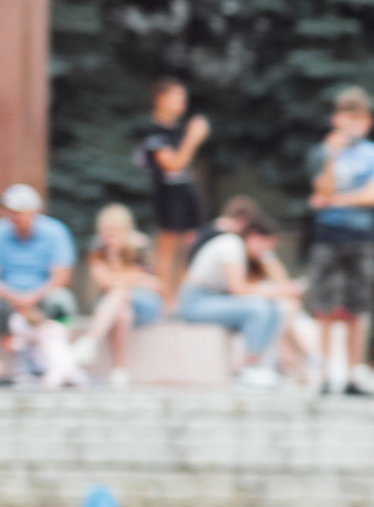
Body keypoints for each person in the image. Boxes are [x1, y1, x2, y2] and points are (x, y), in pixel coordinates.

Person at [306, 86, 374, 393]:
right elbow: (321, 191)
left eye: (359, 119)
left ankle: (356, 374)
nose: (353, 125)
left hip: (361, 236)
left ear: (367, 122)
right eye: (347, 117)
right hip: (327, 236)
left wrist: (336, 200)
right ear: (336, 119)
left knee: (360, 308)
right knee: (325, 307)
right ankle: (325, 375)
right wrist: (331, 156)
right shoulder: (321, 152)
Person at [177, 206, 295, 386]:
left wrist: (268, 258)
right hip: (196, 301)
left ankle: (263, 365)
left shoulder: (245, 252)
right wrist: (273, 291)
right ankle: (249, 367)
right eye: (267, 244)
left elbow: (279, 280)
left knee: (274, 309)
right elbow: (238, 289)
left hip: (215, 300)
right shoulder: (231, 246)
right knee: (257, 308)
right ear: (254, 236)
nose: (267, 250)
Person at [0, 183, 78, 372]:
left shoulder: (56, 232)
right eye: (10, 211)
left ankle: (64, 361)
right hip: (5, 301)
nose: (14, 216)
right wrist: (15, 298)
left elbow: (61, 276)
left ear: (35, 211)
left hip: (41, 301)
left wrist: (32, 297)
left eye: (19, 211)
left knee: (62, 300)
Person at [136, 78, 209, 298]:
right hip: (168, 194)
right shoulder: (154, 132)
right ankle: (165, 298)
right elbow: (173, 165)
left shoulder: (177, 128)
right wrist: (193, 138)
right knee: (167, 246)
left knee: (191, 244)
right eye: (176, 98)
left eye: (183, 98)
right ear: (160, 99)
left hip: (186, 192)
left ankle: (182, 296)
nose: (181, 103)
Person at [77, 205, 165, 384]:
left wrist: (120, 277)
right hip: (112, 304)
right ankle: (119, 370)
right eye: (106, 232)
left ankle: (90, 340)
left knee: (119, 292)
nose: (109, 237)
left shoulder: (140, 245)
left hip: (144, 302)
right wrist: (127, 273)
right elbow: (103, 281)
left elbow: (154, 283)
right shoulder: (98, 247)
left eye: (114, 232)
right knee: (122, 312)